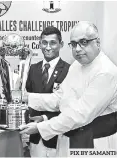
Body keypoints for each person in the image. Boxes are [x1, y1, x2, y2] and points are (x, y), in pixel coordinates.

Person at [20, 21, 117, 156]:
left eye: (83, 42)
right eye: (74, 44)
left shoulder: (105, 72)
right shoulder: (76, 66)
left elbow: (80, 115)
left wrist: (41, 127)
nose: (77, 49)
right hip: (67, 137)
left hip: (95, 143)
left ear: (97, 42)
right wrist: (25, 97)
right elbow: (59, 98)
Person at [25, 26, 70, 157]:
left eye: (53, 43)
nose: (48, 47)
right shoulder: (32, 69)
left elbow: (67, 105)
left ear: (61, 44)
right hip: (35, 137)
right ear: (39, 44)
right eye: (44, 43)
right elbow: (28, 98)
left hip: (58, 136)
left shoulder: (69, 70)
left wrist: (45, 118)